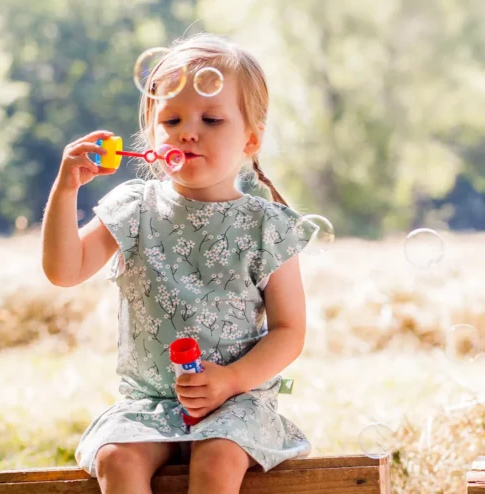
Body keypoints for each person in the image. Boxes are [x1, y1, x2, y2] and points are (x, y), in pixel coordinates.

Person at [41, 33, 312, 494]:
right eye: (171, 119)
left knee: (219, 458)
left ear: (251, 139)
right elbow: (64, 271)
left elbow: (290, 331)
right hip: (149, 401)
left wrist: (230, 380)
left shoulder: (266, 225)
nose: (189, 131)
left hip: (236, 402)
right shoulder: (134, 208)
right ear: (151, 135)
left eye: (211, 118)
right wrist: (66, 190)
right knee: (117, 459)